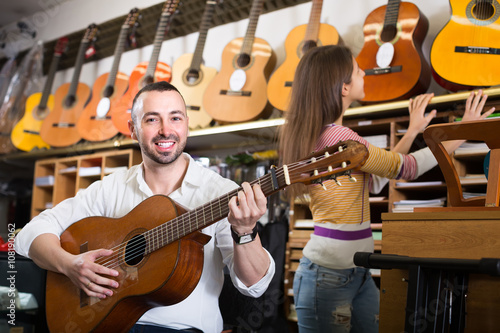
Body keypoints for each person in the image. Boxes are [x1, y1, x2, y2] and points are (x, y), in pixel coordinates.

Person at [15, 81, 276, 333]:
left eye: (175, 118)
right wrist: (70, 264)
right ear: (133, 129)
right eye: (152, 119)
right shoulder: (111, 187)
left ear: (186, 124)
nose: (165, 130)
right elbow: (30, 233)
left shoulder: (221, 192)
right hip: (108, 324)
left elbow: (254, 286)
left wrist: (245, 231)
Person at [278, 45, 495, 333]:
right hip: (329, 277)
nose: (365, 73)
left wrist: (414, 131)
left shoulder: (320, 134)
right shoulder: (341, 137)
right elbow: (407, 168)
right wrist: (463, 128)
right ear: (343, 88)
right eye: (358, 71)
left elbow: (379, 178)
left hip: (353, 272)